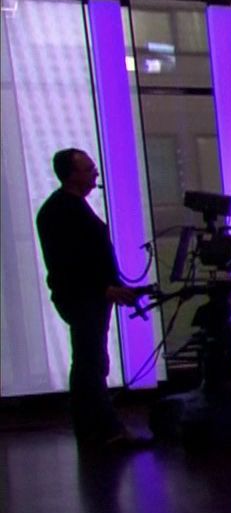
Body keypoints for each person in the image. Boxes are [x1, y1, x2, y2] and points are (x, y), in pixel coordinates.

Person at [35, 149, 145, 448]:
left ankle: (96, 429)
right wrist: (104, 289)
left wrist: (112, 287)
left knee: (92, 361)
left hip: (91, 296)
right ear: (71, 175)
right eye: (89, 169)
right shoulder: (60, 212)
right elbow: (69, 263)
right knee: (90, 363)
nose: (96, 173)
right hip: (83, 298)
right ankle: (104, 430)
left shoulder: (68, 207)